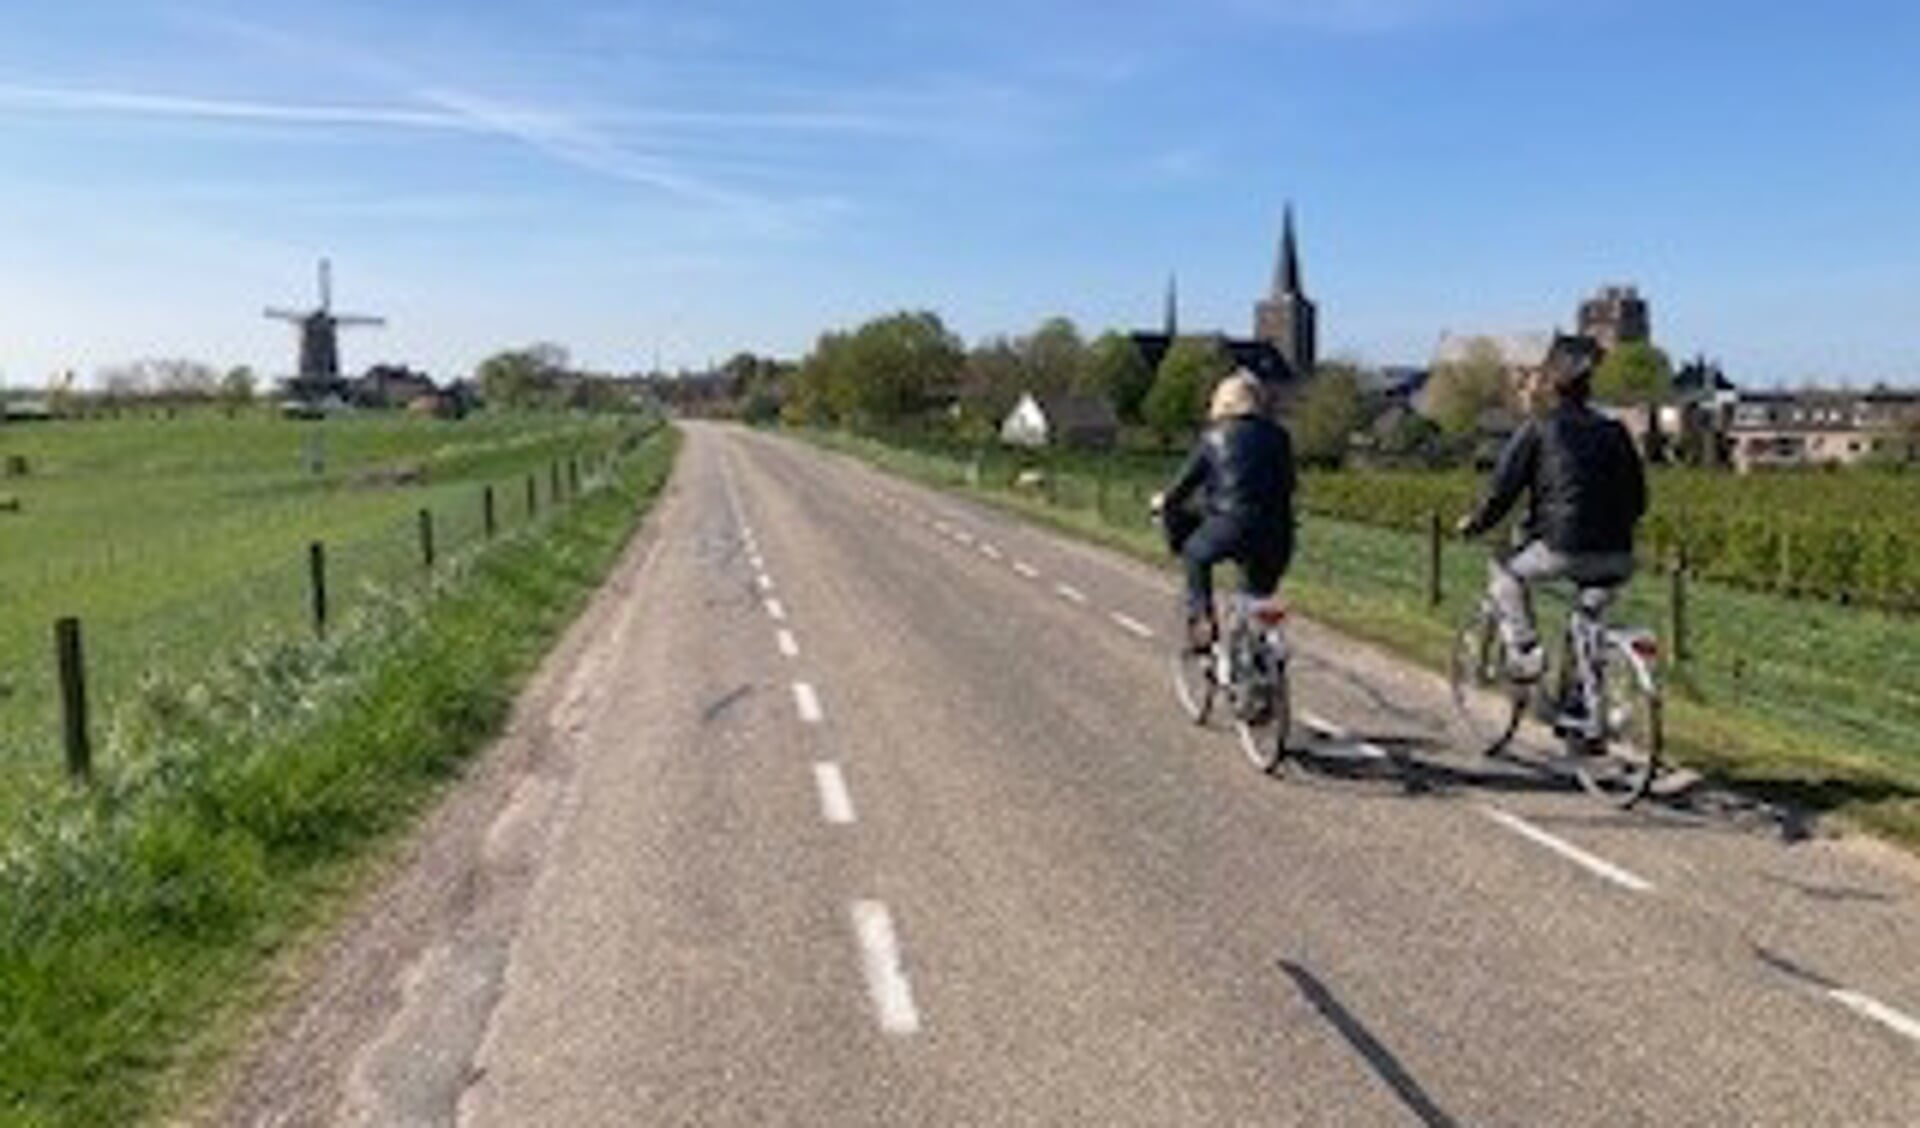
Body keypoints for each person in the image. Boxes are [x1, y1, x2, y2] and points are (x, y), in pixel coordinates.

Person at [1456, 348, 1648, 682]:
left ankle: (1526, 650)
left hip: (1562, 548)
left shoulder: (1538, 429)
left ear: (1551, 391)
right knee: (1587, 620)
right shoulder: (1616, 431)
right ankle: (1582, 705)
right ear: (1588, 391)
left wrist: (1475, 523)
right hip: (1619, 556)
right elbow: (1640, 499)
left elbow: (1502, 490)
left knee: (1505, 572)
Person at [1151, 370, 1297, 651]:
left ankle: (1202, 619)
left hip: (1230, 526)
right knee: (1257, 594)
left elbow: (1181, 488)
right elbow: (1288, 485)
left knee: (1195, 554)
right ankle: (1266, 663)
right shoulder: (1280, 437)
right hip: (1277, 533)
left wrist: (1162, 503)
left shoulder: (1213, 437)